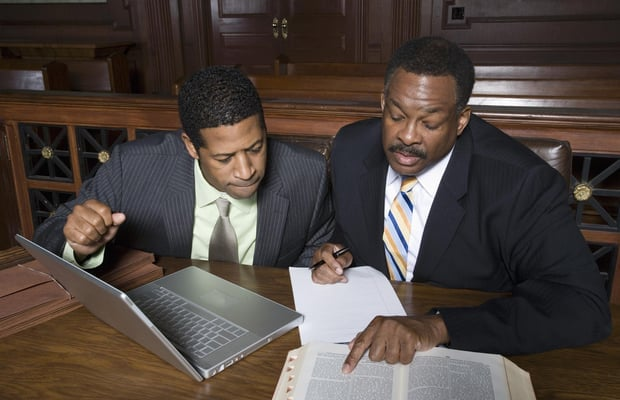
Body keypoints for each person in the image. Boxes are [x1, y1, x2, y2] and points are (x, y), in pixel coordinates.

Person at [310, 36, 611, 373]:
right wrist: (339, 252)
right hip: (358, 348)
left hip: (464, 360)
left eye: (429, 123)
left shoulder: (520, 183)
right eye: (396, 116)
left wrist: (439, 326)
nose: (407, 136)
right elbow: (354, 227)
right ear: (383, 103)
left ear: (462, 119)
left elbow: (584, 307)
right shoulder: (351, 147)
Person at [33, 66, 334, 269]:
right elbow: (49, 235)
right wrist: (78, 243)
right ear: (191, 146)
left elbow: (314, 252)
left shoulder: (307, 173)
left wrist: (322, 264)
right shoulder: (132, 168)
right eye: (224, 158)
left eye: (256, 148)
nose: (246, 171)